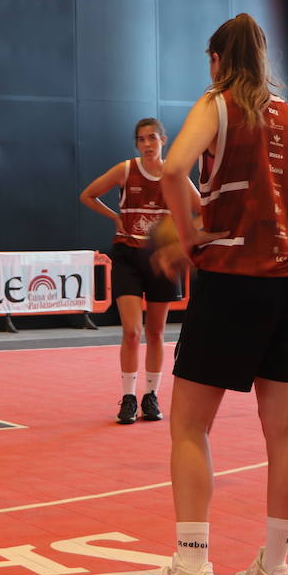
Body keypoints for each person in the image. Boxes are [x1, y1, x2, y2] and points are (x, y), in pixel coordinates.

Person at [119, 13, 288, 575]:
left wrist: (190, 234)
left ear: (217, 60)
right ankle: (274, 570)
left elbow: (175, 167)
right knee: (284, 433)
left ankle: (189, 569)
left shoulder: (221, 102)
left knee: (188, 427)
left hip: (236, 283)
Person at [79, 118, 202, 424]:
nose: (147, 144)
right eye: (142, 139)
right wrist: (115, 218)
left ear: (164, 141)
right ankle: (129, 397)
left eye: (152, 139)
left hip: (159, 257)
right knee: (132, 332)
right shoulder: (126, 170)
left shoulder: (175, 176)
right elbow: (88, 194)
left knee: (157, 332)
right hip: (128, 255)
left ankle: (151, 395)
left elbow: (203, 209)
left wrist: (183, 232)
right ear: (136, 144)